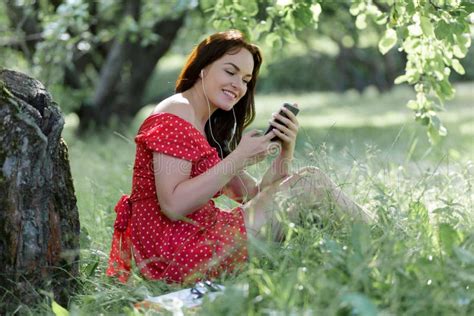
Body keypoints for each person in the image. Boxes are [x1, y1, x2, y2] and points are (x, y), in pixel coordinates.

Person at [107, 30, 371, 284]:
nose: (238, 85)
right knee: (311, 182)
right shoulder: (177, 110)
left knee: (309, 184)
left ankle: (368, 255)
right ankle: (385, 240)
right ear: (203, 67)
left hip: (195, 244)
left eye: (246, 80)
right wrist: (239, 157)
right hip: (176, 255)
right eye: (230, 71)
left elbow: (256, 195)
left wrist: (285, 149)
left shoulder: (205, 128)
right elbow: (173, 205)